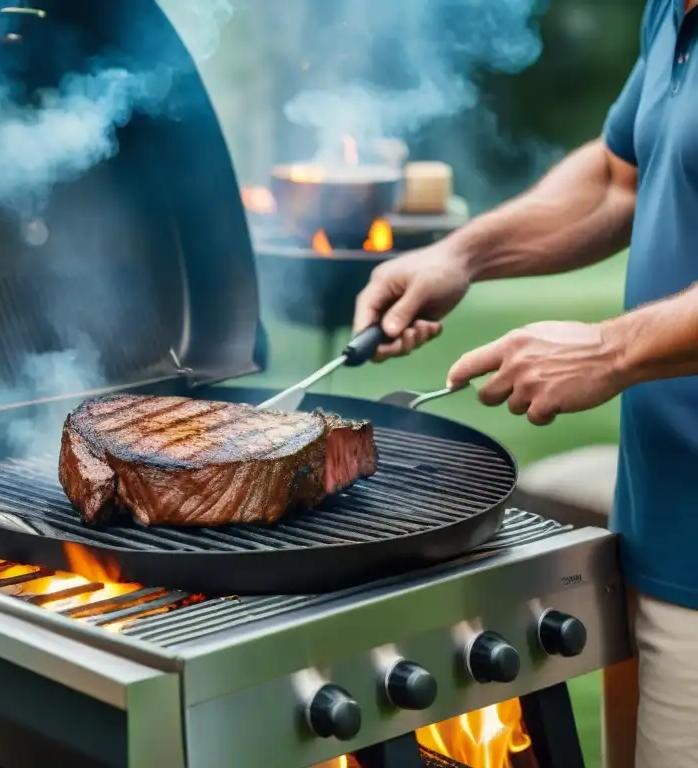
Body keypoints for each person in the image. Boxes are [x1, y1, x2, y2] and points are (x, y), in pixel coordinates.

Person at [353, 1, 698, 766]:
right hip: (653, 522)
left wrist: (611, 350)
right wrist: (463, 255)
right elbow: (619, 180)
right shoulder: (673, 13)